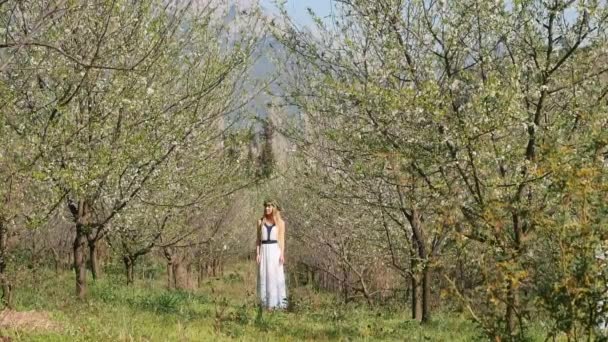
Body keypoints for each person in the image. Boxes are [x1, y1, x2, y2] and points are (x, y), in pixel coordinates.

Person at [256, 199, 287, 310]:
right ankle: (265, 304)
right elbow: (258, 239)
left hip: (275, 250)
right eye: (265, 206)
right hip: (264, 250)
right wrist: (258, 253)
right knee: (264, 275)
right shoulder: (260, 222)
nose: (267, 208)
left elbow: (282, 240)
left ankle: (276, 305)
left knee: (275, 276)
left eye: (269, 206)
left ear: (274, 207)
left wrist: (282, 254)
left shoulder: (281, 223)